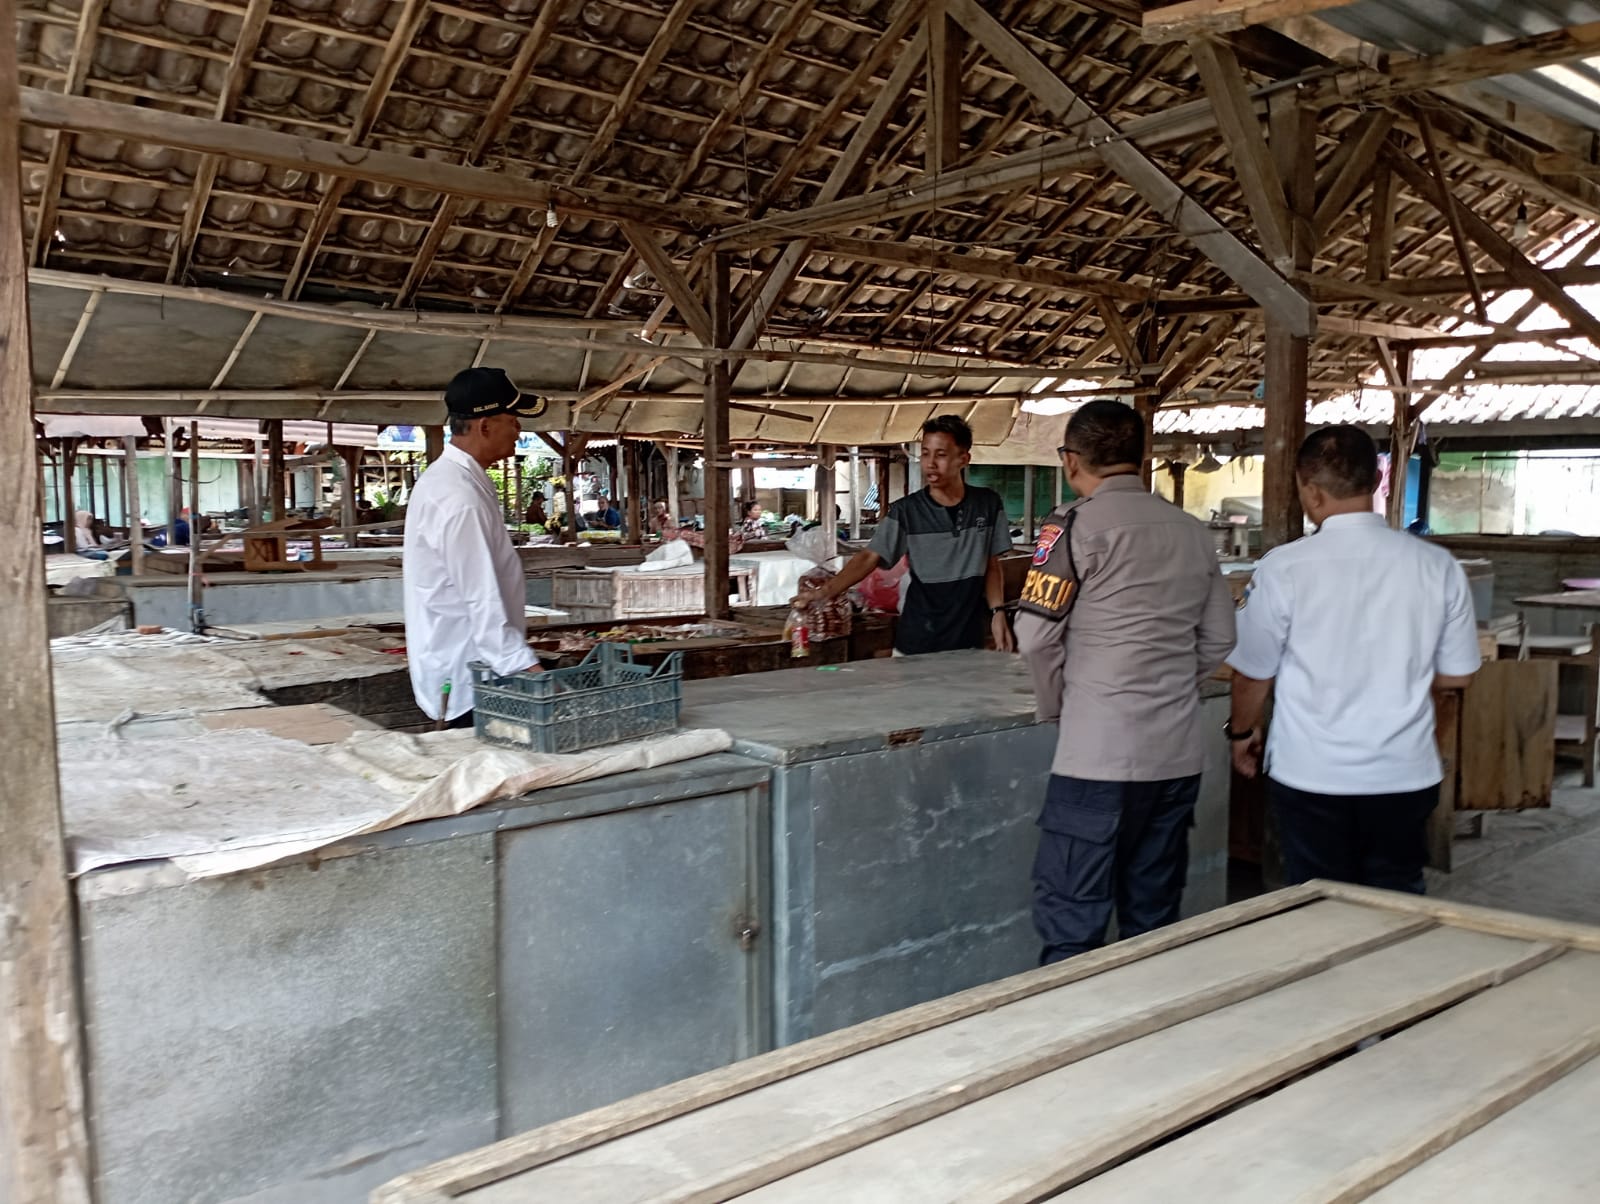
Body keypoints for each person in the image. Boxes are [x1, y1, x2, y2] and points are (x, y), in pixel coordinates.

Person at [1016, 400, 1236, 964]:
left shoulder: (1070, 526)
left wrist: (1059, 707)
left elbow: (1035, 638)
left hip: (1097, 758)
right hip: (1176, 758)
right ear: (1142, 457)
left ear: (1071, 460)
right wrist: (1168, 686)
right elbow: (1219, 639)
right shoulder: (1192, 532)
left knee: (1073, 926)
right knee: (1152, 922)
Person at [1228, 425, 1481, 894]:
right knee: (1396, 896)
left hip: (1311, 773)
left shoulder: (1283, 568)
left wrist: (1242, 734)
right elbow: (1457, 677)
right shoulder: (1437, 566)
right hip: (1404, 772)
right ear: (1378, 480)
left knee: (1318, 899)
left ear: (1310, 490)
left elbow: (1252, 674)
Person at [795, 415, 1013, 655]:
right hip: (917, 641)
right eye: (926, 454)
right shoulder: (907, 511)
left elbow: (991, 563)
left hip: (968, 641)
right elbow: (869, 557)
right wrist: (823, 593)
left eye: (940, 455)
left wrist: (998, 611)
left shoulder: (987, 504)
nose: (930, 463)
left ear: (964, 459)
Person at [403, 367, 545, 727]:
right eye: (512, 421)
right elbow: (482, 600)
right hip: (472, 679)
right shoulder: (458, 498)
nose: (519, 430)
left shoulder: (459, 480)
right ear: (484, 426)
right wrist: (530, 672)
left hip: (476, 667)